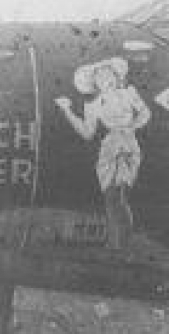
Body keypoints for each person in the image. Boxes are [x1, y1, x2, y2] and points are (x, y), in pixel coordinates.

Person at [55, 57, 151, 249]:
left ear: (116, 76)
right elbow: (87, 133)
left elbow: (145, 113)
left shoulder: (129, 94)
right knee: (110, 196)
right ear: (95, 84)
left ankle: (122, 241)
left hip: (127, 145)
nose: (106, 79)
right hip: (109, 149)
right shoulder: (93, 105)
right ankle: (116, 240)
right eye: (100, 77)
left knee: (119, 194)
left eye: (109, 74)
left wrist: (131, 126)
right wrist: (67, 111)